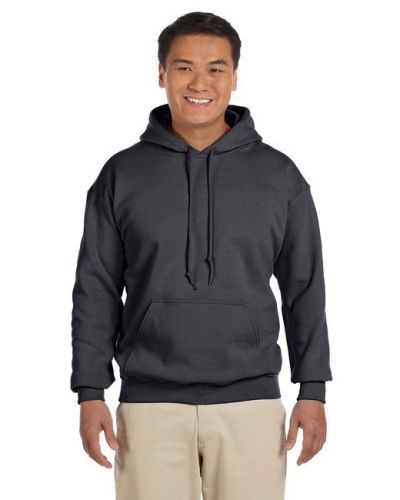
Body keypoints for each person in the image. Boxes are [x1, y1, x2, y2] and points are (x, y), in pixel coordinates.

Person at [70, 11, 333, 500]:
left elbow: (305, 287)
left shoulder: (279, 176)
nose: (199, 83)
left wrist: (312, 389)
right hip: (148, 405)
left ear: (234, 76)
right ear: (161, 74)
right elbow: (96, 289)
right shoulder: (121, 175)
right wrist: (90, 392)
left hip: (252, 402)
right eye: (184, 67)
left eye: (215, 68)